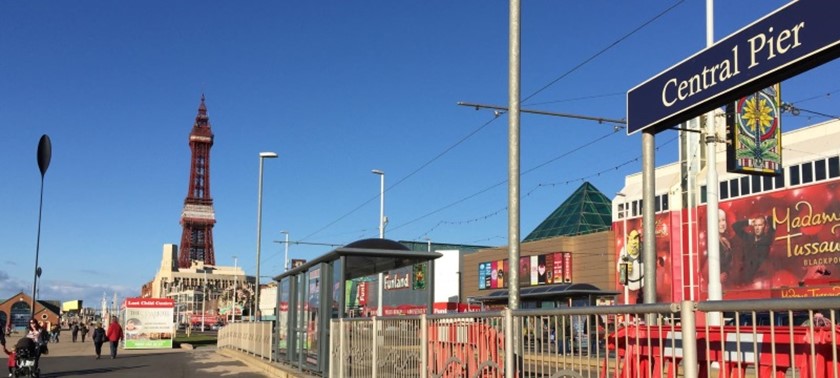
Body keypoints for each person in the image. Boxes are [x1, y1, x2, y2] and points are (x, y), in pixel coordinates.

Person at [733, 215, 776, 282]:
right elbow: (735, 226)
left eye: (759, 225)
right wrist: (749, 222)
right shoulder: (748, 238)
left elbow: (773, 223)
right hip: (744, 278)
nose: (757, 228)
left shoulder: (767, 239)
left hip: (759, 277)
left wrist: (766, 218)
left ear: (764, 226)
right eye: (755, 225)